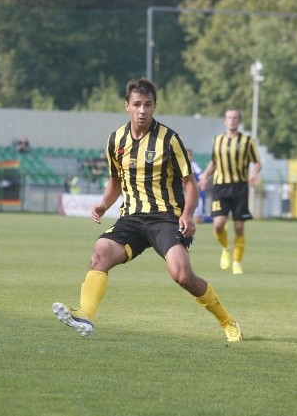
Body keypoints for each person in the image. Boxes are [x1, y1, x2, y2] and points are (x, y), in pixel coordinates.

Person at [53, 77, 242, 342]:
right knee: (100, 254)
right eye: (138, 104)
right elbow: (115, 181)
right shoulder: (115, 140)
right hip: (131, 218)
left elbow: (190, 184)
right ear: (127, 106)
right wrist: (104, 204)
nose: (143, 110)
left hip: (166, 218)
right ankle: (86, 315)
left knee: (183, 276)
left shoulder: (169, 140)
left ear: (154, 107)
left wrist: (187, 215)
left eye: (148, 105)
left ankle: (227, 321)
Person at [198, 108, 261, 275]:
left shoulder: (248, 141)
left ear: (239, 121)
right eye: (229, 118)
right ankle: (226, 249)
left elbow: (257, 162)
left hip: (240, 186)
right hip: (220, 186)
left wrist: (254, 174)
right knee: (218, 225)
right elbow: (214, 162)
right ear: (225, 121)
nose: (232, 120)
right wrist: (205, 177)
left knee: (239, 226)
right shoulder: (218, 140)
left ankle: (237, 263)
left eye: (235, 118)